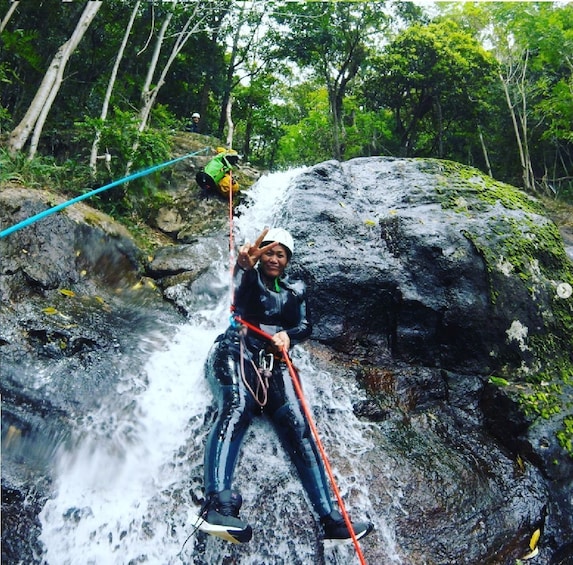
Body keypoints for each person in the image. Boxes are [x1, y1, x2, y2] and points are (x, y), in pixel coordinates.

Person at [195, 227, 374, 545]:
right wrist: (243, 266)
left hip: (274, 361)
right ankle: (217, 506)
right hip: (235, 351)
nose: (274, 258)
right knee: (238, 407)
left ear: (288, 259)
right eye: (268, 252)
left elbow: (305, 325)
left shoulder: (296, 289)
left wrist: (289, 336)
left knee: (299, 425)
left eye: (280, 254)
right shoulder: (250, 277)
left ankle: (331, 520)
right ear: (260, 255)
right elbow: (240, 289)